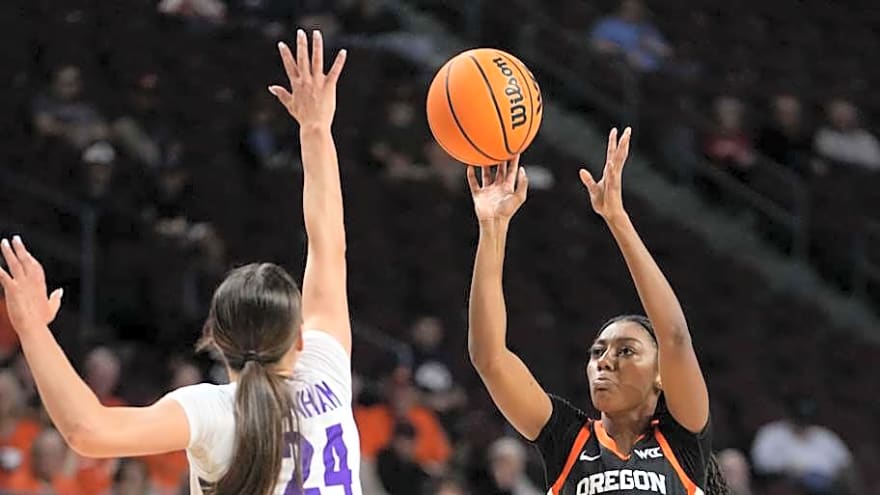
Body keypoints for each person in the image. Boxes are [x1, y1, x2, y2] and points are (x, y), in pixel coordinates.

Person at [0, 29, 361, 495]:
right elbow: (329, 244)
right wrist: (315, 129)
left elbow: (89, 431)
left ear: (213, 336)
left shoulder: (214, 411)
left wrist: (31, 327)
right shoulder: (326, 371)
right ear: (298, 339)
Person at [465, 128, 729, 494]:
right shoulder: (568, 440)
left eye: (626, 351)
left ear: (660, 376)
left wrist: (617, 219)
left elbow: (674, 337)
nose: (604, 361)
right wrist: (492, 228)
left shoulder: (681, 442)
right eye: (598, 352)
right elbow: (489, 358)